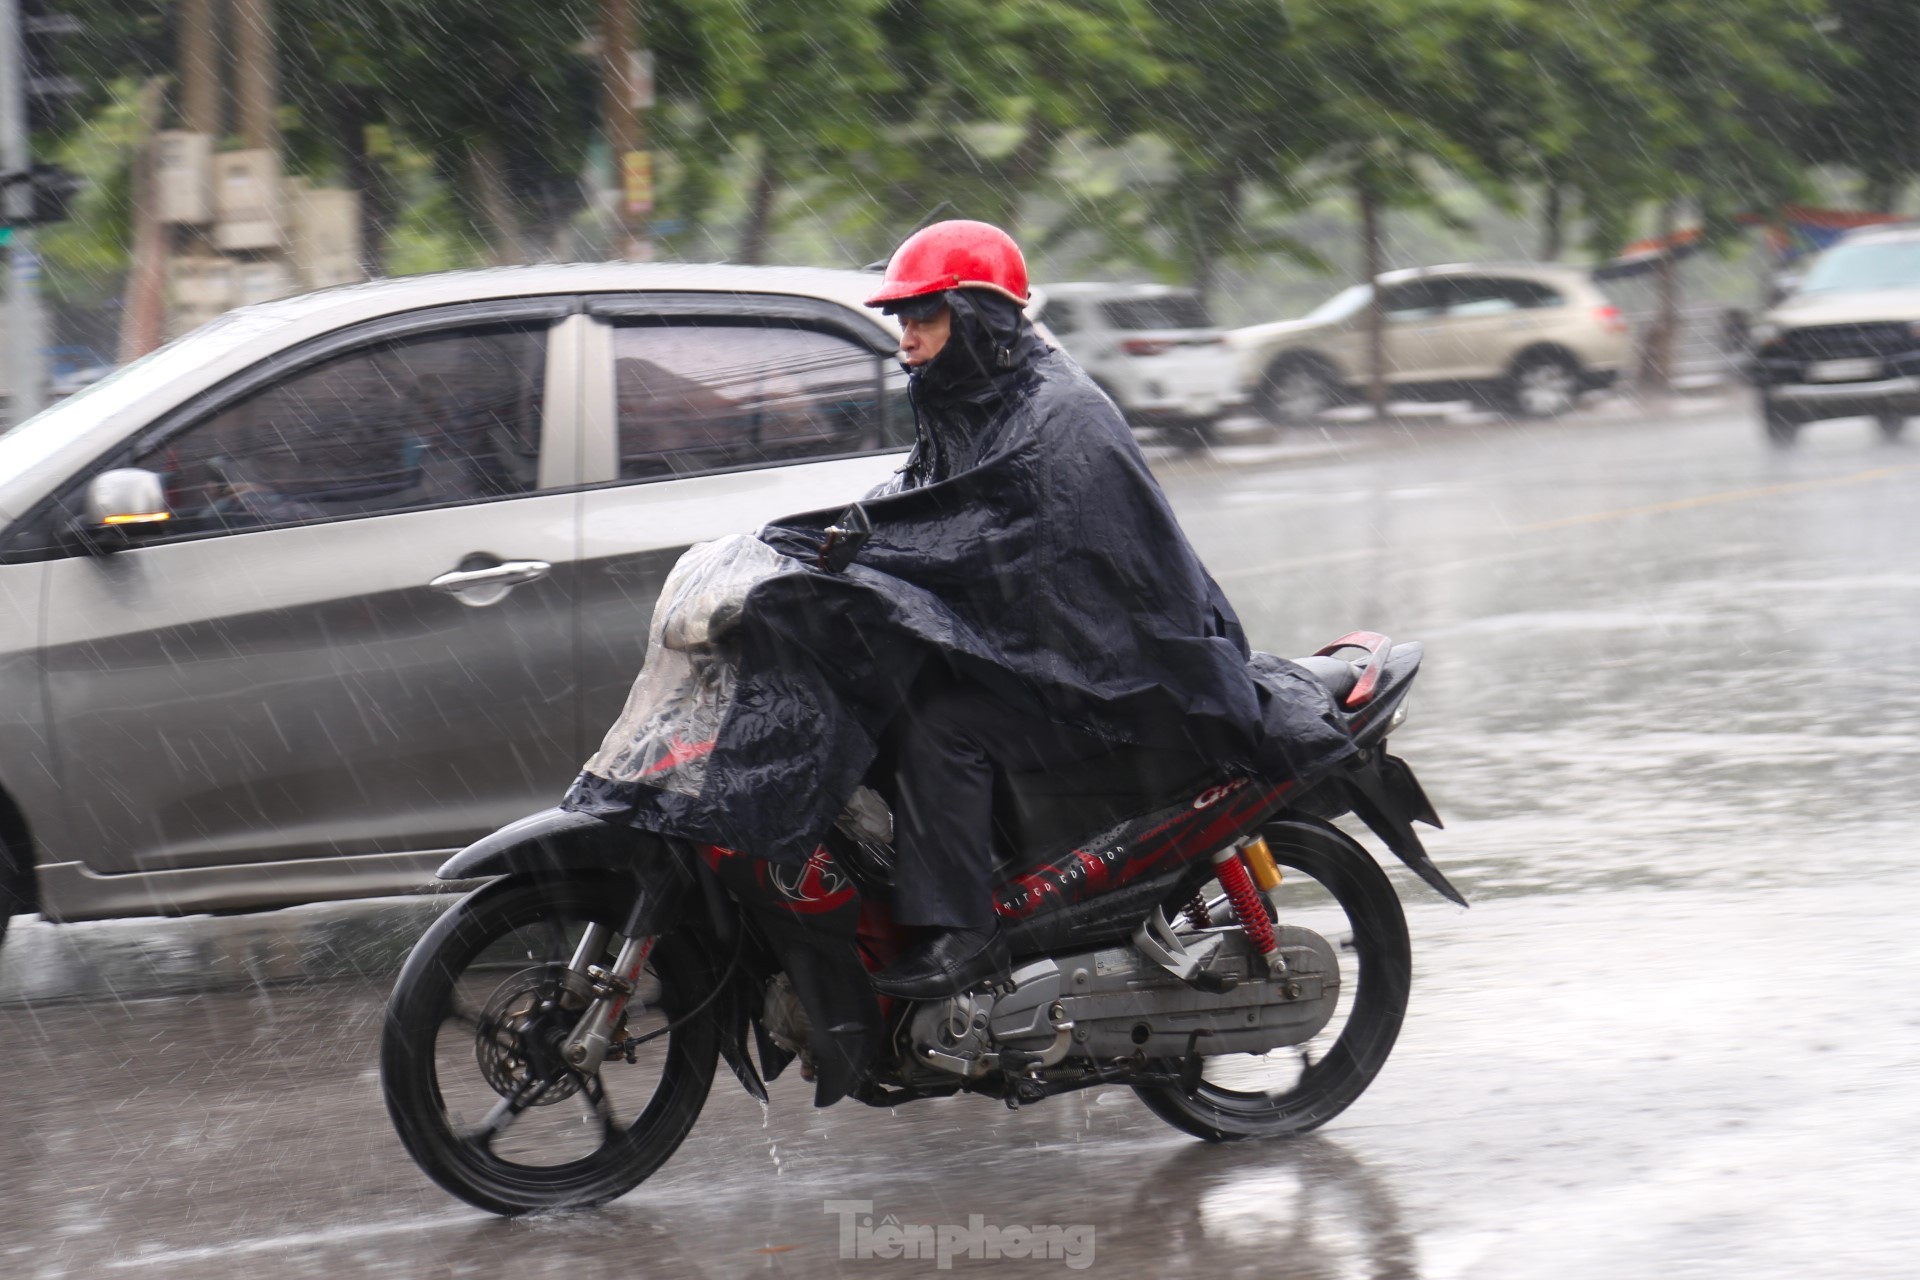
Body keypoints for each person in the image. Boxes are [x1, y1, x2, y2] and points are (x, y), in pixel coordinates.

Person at [565, 219, 1355, 1003]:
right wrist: (817, 549)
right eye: (902, 318)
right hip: (1049, 655)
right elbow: (922, 504)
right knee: (890, 703)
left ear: (979, 318)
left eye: (924, 317)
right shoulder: (974, 398)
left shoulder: (1055, 417)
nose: (906, 337)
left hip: (1117, 673)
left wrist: (864, 564)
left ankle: (964, 933)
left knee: (948, 727)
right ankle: (927, 890)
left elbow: (982, 542)